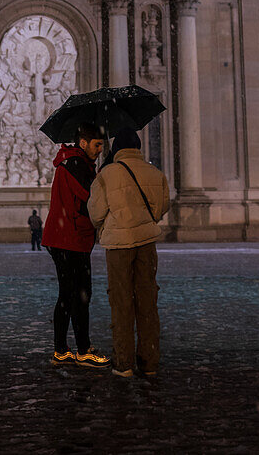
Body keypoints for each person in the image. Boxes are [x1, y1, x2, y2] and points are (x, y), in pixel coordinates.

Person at [88, 127, 170, 378]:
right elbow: (162, 207)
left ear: (117, 149)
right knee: (147, 301)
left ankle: (123, 363)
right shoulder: (155, 172)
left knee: (121, 302)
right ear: (138, 148)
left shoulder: (108, 174)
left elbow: (95, 213)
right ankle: (149, 361)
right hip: (146, 243)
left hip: (118, 246)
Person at [42, 122, 111, 368]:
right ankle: (82, 350)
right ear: (83, 143)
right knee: (79, 295)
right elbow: (90, 200)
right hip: (70, 238)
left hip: (65, 237)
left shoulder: (72, 163)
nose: (100, 149)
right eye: (97, 145)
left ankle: (62, 350)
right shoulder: (76, 166)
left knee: (68, 294)